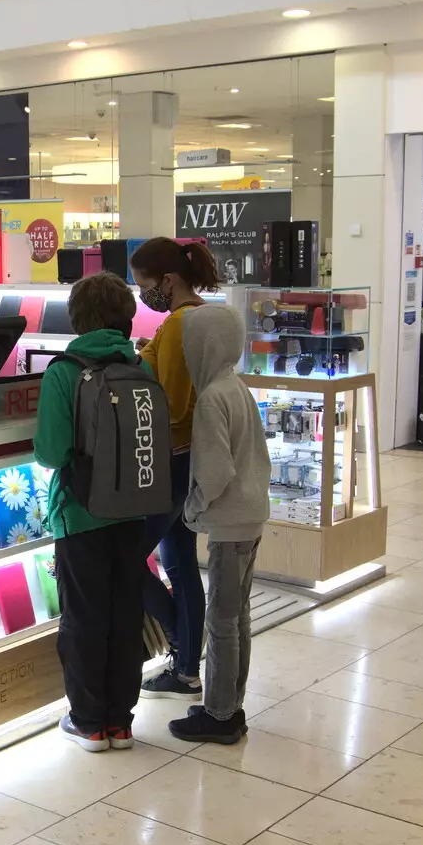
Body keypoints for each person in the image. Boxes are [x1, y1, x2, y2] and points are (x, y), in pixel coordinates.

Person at [34, 272, 157, 751]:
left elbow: (50, 452)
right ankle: (120, 722)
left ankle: (88, 723)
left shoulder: (64, 372)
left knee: (84, 617)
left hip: (81, 514)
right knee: (126, 613)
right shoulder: (141, 368)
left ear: (77, 318)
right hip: (134, 510)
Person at [168, 304, 271, 745]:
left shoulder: (211, 398)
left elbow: (214, 471)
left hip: (229, 526)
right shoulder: (238, 387)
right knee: (238, 617)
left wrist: (192, 507)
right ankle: (231, 702)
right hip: (251, 517)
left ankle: (220, 713)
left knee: (222, 620)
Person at [128, 237, 219, 699]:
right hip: (187, 459)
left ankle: (182, 646)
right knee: (179, 561)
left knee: (127, 559)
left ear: (167, 281)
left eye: (145, 285)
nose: (144, 295)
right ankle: (185, 668)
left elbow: (174, 404)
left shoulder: (180, 324)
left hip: (171, 461)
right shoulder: (196, 318)